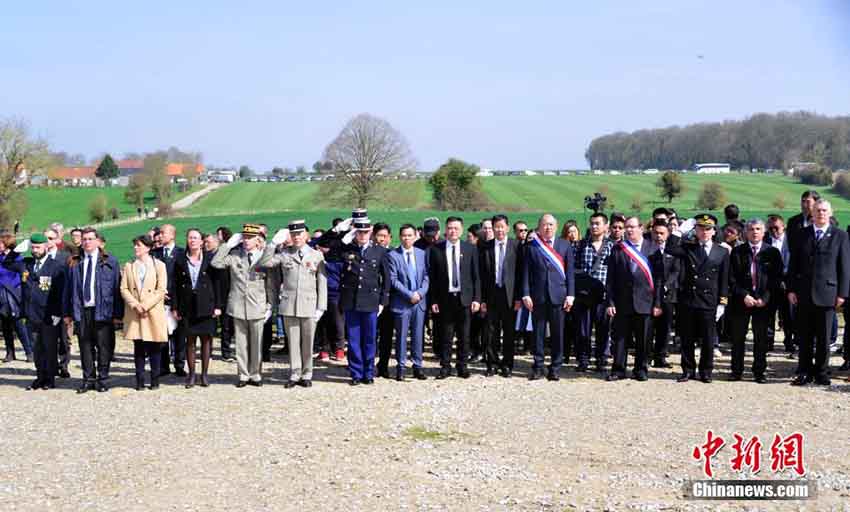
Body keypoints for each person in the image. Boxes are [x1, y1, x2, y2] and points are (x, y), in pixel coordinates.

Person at [787, 199, 849, 386]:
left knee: (823, 337)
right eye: (817, 210)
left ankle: (822, 372)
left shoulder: (840, 236)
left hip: (828, 293)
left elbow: (844, 267)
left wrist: (842, 294)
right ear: (811, 213)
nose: (821, 213)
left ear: (830, 213)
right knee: (804, 337)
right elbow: (793, 264)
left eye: (824, 210)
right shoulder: (801, 235)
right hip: (804, 293)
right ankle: (804, 371)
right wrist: (791, 288)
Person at [261, 220, 327, 388]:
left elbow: (322, 282)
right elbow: (265, 262)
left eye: (300, 233)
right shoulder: (284, 254)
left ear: (306, 235)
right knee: (293, 342)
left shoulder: (316, 255)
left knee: (307, 342)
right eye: (294, 234)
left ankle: (307, 373)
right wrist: (273, 243)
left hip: (309, 305)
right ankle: (295, 373)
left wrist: (321, 306)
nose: (297, 237)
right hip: (289, 304)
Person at [211, 224, 273, 387]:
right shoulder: (235, 255)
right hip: (238, 305)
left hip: (257, 305)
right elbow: (216, 263)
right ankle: (243, 375)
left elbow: (270, 283)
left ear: (257, 239)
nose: (246, 240)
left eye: (250, 237)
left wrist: (270, 305)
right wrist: (228, 245)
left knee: (257, 343)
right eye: (244, 237)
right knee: (241, 343)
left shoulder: (263, 257)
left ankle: (256, 374)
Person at [670, 214, 729, 384]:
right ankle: (688, 370)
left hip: (709, 301)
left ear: (713, 231)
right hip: (689, 299)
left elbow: (724, 280)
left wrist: (722, 303)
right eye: (700, 228)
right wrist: (679, 231)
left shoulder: (722, 251)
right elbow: (670, 249)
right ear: (695, 230)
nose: (704, 232)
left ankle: (706, 371)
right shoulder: (689, 248)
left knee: (708, 339)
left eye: (708, 229)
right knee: (687, 337)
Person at [63, 228, 123, 393]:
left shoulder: (110, 261)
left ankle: (102, 379)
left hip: (103, 309)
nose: (87, 242)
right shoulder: (74, 262)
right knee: (85, 346)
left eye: (90, 239)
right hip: (82, 310)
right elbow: (68, 290)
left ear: (98, 241)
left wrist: (118, 314)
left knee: (104, 347)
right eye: (84, 239)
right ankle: (88, 378)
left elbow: (117, 288)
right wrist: (67, 313)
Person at [604, 216, 660, 382]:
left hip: (645, 302)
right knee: (620, 338)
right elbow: (611, 279)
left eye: (632, 227)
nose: (628, 230)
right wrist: (610, 302)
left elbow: (659, 279)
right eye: (626, 227)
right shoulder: (618, 249)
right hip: (623, 302)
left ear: (641, 228)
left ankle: (640, 369)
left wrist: (657, 303)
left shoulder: (653, 249)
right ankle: (619, 369)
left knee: (644, 339)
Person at [521, 214, 575, 381]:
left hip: (558, 296)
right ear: (539, 227)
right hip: (538, 297)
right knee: (538, 333)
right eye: (545, 225)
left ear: (556, 227)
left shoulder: (565, 245)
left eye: (551, 225)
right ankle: (538, 366)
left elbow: (570, 273)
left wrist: (571, 295)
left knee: (558, 334)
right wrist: (525, 293)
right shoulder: (531, 246)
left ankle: (555, 367)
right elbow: (526, 273)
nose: (548, 228)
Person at [727, 219, 783, 383]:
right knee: (738, 338)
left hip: (763, 303)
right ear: (745, 232)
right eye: (751, 229)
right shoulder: (737, 252)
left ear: (764, 232)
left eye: (758, 229)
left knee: (761, 339)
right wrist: (744, 295)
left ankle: (759, 371)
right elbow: (731, 279)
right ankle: (736, 371)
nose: (755, 232)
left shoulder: (772, 253)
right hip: (741, 301)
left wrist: (765, 298)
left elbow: (776, 279)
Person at [427, 216, 481, 379]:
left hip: (464, 299)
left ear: (461, 230)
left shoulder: (470, 249)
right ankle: (445, 366)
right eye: (450, 228)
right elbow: (433, 278)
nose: (453, 231)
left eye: (456, 228)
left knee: (464, 335)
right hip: (445, 299)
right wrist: (433, 300)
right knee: (446, 335)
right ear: (445, 229)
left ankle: (462, 366)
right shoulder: (436, 249)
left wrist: (477, 299)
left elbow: (476, 276)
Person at [339, 213, 390, 385]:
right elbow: (325, 247)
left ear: (371, 233)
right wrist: (339, 231)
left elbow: (386, 278)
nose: (362, 235)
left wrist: (383, 301)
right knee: (353, 340)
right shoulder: (346, 250)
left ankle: (368, 373)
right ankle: (356, 373)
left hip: (370, 301)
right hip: (351, 301)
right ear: (355, 233)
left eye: (365, 232)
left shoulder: (380, 251)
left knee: (369, 340)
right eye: (359, 232)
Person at [173, 228, 222, 388]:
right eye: (190, 238)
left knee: (206, 340)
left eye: (195, 238)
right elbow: (174, 285)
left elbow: (217, 283)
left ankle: (205, 374)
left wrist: (218, 306)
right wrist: (175, 307)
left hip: (206, 304)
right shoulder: (180, 259)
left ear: (202, 241)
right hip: (187, 306)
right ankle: (192, 374)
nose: (192, 240)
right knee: (190, 341)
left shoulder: (210, 259)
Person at [120, 235, 168, 391]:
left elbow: (161, 289)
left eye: (138, 245)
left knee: (154, 346)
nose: (135, 248)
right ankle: (139, 380)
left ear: (148, 247)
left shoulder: (159, 265)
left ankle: (155, 380)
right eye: (134, 245)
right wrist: (135, 305)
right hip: (135, 312)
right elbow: (124, 288)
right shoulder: (129, 266)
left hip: (152, 311)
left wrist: (145, 305)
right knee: (138, 346)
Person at [20, 234, 65, 390]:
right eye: (32, 247)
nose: (35, 250)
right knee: (36, 348)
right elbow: (7, 262)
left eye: (38, 247)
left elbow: (60, 293)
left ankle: (50, 378)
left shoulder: (55, 266)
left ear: (46, 247)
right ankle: (40, 376)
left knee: (49, 347)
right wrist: (19, 248)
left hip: (49, 315)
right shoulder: (27, 263)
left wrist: (58, 314)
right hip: (31, 314)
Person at [386, 223, 429, 380]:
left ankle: (418, 366)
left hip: (419, 302)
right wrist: (409, 294)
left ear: (415, 236)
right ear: (400, 237)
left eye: (410, 235)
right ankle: (401, 367)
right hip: (402, 302)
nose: (407, 238)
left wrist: (419, 293)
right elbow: (393, 280)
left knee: (418, 336)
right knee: (402, 336)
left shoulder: (421, 254)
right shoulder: (393, 255)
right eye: (404, 235)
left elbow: (426, 277)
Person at [479, 214, 520, 377]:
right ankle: (492, 363)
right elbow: (481, 276)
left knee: (509, 332)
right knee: (491, 331)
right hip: (491, 294)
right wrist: (481, 299)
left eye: (502, 226)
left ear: (508, 228)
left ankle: (507, 364)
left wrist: (518, 297)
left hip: (510, 295)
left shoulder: (516, 246)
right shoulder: (485, 247)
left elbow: (520, 274)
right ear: (493, 228)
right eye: (496, 227)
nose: (499, 230)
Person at [573, 212, 614, 372]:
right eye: (592, 223)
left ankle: (601, 359)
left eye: (598, 223)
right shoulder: (580, 245)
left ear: (605, 226)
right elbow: (574, 268)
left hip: (603, 295)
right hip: (584, 294)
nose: (594, 226)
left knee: (603, 329)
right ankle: (583, 359)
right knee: (583, 329)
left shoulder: (612, 246)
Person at [151, 224, 187, 377]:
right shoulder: (155, 254)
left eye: (163, 233)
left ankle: (179, 365)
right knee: (161, 334)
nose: (160, 236)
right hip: (159, 300)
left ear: (172, 235)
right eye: (159, 233)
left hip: (177, 300)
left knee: (179, 334)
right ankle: (163, 366)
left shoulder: (182, 253)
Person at [648, 219, 680, 368]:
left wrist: (667, 286)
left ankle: (660, 357)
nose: (658, 236)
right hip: (648, 294)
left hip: (668, 295)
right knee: (648, 327)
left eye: (662, 233)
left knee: (665, 328)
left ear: (668, 234)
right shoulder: (646, 249)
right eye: (656, 232)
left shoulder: (673, 250)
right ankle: (646, 356)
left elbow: (676, 271)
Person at [0, 233, 34, 363]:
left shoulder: (17, 259)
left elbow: (21, 277)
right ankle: (10, 352)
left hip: (13, 294)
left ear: (7, 243)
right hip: (1, 294)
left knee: (19, 324)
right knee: (5, 325)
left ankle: (29, 352)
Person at [766, 214, 795, 357]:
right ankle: (768, 342)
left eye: (776, 227)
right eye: (770, 228)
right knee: (769, 314)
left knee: (788, 314)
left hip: (788, 282)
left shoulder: (792, 241)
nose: (773, 231)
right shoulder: (765, 240)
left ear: (783, 226)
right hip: (770, 283)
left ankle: (789, 341)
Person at [372, 222, 396, 378]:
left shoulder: (393, 254)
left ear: (390, 238)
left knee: (386, 335)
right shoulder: (367, 253)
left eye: (385, 236)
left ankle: (383, 365)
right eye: (379, 236)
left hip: (389, 300)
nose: (382, 239)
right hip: (370, 299)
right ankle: (366, 364)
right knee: (369, 335)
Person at [213, 226, 235, 361]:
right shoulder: (221, 252)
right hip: (223, 292)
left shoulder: (232, 252)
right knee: (226, 325)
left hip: (233, 291)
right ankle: (225, 352)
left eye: (218, 235)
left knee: (232, 325)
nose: (217, 237)